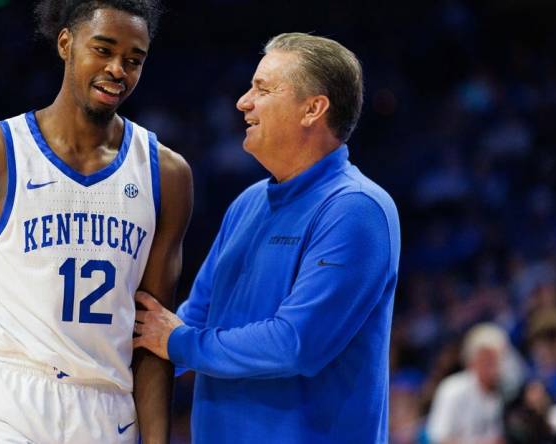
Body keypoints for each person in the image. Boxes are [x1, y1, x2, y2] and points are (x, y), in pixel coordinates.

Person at [0, 1, 193, 443]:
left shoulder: (167, 175)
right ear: (66, 43)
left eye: (134, 60)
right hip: (11, 397)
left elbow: (150, 336)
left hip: (107, 409)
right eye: (103, 50)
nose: (118, 69)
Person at [134, 32, 400, 443]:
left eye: (263, 89)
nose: (244, 102)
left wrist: (179, 342)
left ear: (313, 109)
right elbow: (194, 317)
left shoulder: (357, 209)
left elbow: (296, 342)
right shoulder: (248, 203)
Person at [426, 323, 508, 444]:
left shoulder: (506, 391)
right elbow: (438, 439)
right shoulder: (452, 389)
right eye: (487, 360)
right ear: (472, 359)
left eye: (496, 360)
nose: (493, 367)